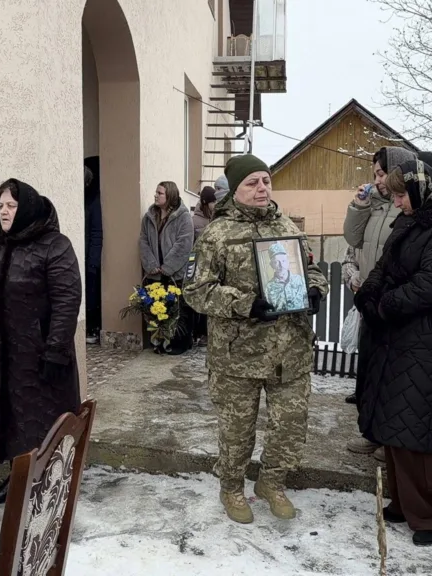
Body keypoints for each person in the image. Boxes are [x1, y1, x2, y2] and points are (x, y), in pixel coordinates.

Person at [184, 154, 328, 524]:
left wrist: (314, 288)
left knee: (290, 425)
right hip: (238, 355)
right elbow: (196, 291)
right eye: (252, 182)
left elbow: (310, 267)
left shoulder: (288, 226)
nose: (262, 188)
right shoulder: (217, 234)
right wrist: (246, 304)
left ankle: (272, 483)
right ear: (235, 190)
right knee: (236, 431)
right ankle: (231, 488)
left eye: (266, 180)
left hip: (290, 352)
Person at [356, 159, 432, 545]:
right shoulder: (415, 218)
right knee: (395, 424)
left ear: (419, 190)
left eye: (398, 194)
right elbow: (386, 265)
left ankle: (431, 515)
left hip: (431, 338)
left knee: (415, 430)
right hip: (400, 336)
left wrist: (384, 304)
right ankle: (403, 501)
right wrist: (368, 294)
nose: (395, 203)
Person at [0, 179, 82, 505]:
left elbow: (67, 298)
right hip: (3, 354)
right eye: (1, 205)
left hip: (40, 355)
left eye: (11, 205)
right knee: (10, 418)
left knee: (41, 420)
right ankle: (18, 477)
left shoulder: (54, 245)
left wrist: (56, 349)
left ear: (27, 207)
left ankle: (48, 483)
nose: (4, 211)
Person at [342, 146, 417, 460]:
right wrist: (358, 206)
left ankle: (391, 439)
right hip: (369, 300)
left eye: (383, 173)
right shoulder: (371, 205)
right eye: (375, 174)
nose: (378, 181)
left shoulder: (409, 206)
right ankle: (372, 433)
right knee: (370, 372)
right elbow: (352, 241)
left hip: (394, 302)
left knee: (392, 376)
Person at [139, 180, 195, 355]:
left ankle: (179, 343)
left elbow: (184, 244)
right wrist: (151, 265)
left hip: (174, 274)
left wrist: (168, 267)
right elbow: (143, 241)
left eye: (160, 193)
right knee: (157, 308)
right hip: (155, 273)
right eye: (156, 192)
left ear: (169, 195)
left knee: (177, 310)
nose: (155, 195)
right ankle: (160, 341)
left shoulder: (183, 217)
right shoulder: (149, 217)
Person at [191, 186, 218, 342]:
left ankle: (208, 333)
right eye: (213, 202)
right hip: (200, 267)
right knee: (200, 302)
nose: (215, 205)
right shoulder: (194, 221)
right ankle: (199, 333)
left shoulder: (216, 220)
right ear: (204, 202)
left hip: (214, 267)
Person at [84, 156, 103, 344]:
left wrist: (93, 260)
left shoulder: (93, 200)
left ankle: (92, 326)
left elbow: (97, 231)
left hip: (89, 254)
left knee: (91, 292)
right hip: (80, 253)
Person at [264, 242, 308, 312]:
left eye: (283, 261)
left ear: (288, 262)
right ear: (272, 265)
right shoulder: (268, 288)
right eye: (276, 262)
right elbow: (269, 311)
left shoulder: (300, 280)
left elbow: (307, 303)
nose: (281, 265)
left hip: (299, 321)